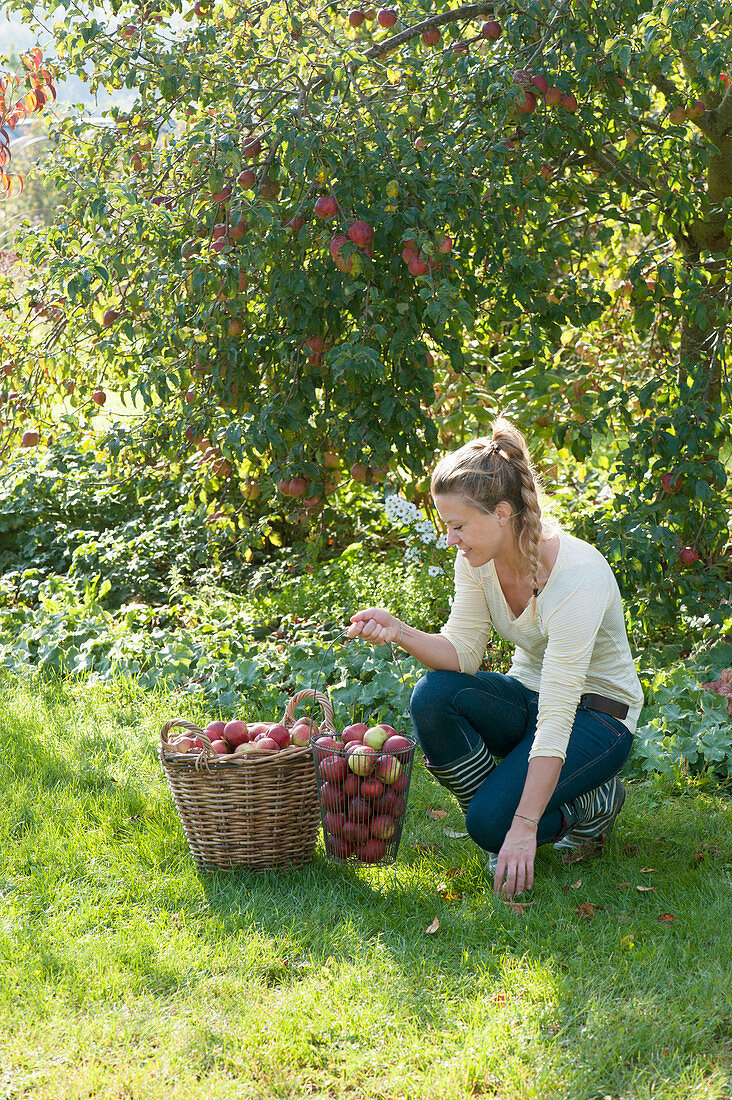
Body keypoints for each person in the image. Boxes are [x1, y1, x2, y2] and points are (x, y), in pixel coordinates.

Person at [347, 417, 644, 899]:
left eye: (458, 525)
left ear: (502, 513)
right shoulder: (476, 561)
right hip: (530, 696)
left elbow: (558, 715)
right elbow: (462, 653)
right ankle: (501, 815)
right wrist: (397, 630)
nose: (451, 539)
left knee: (491, 824)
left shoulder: (577, 579)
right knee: (434, 696)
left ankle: (589, 803)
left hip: (597, 716)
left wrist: (524, 826)